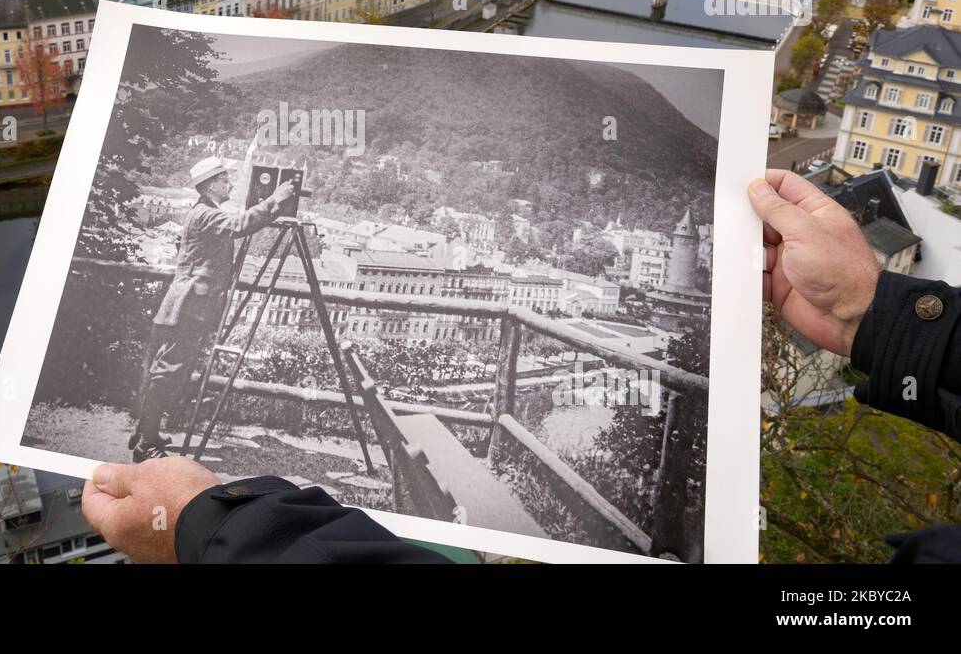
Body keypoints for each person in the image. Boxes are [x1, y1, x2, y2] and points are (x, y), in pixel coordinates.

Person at [81, 170, 960, 563]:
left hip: (193, 311)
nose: (213, 199)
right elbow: (230, 236)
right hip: (187, 306)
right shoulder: (208, 225)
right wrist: (875, 314)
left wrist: (209, 531)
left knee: (179, 376)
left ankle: (157, 431)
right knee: (175, 375)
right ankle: (154, 429)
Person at [129, 155, 295, 463]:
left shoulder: (203, 212)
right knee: (167, 372)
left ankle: (144, 432)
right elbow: (240, 224)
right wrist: (276, 200)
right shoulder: (205, 214)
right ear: (210, 186)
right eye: (224, 180)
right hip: (188, 306)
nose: (230, 183)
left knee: (168, 371)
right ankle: (146, 442)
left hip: (190, 304)